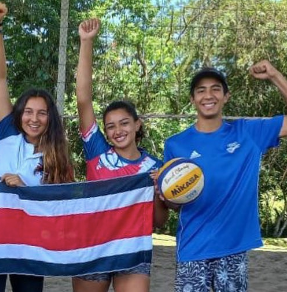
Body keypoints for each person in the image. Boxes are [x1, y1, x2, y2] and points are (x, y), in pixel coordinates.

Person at [162, 60, 287, 292]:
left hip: (233, 249)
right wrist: (164, 193)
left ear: (226, 96)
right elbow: (173, 204)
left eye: (215, 89)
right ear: (192, 99)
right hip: (193, 249)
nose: (208, 95)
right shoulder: (175, 144)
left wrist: (274, 75)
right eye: (200, 90)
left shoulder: (248, 133)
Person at [0, 3, 74, 292]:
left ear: (50, 118)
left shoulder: (57, 157)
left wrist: (25, 187)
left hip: (30, 244)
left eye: (42, 113)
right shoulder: (7, 133)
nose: (34, 118)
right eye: (28, 111)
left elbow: (61, 205)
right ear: (20, 113)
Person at [73, 18, 169, 292]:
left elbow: (159, 223)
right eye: (110, 126)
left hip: (132, 252)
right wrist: (86, 42)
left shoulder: (155, 166)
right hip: (93, 246)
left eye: (124, 123)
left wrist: (157, 191)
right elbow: (83, 100)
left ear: (137, 124)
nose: (117, 130)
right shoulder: (97, 152)